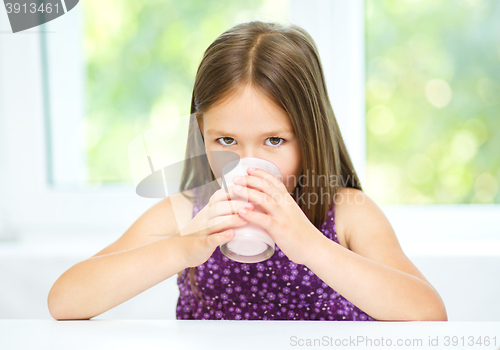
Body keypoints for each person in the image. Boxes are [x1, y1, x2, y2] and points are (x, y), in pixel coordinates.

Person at [47, 21, 447, 322]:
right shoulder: (188, 212)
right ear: (200, 133)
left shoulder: (346, 212)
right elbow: (65, 302)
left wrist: (311, 246)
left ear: (310, 135)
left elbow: (429, 316)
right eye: (225, 141)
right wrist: (182, 248)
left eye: (275, 141)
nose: (246, 162)